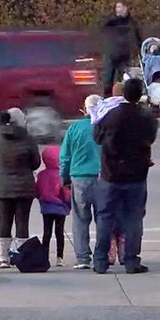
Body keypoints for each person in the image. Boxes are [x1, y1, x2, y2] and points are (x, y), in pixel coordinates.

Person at [92, 78, 158, 274]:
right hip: (136, 175)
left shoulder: (110, 116)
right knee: (134, 219)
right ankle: (131, 260)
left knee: (105, 217)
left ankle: (101, 261)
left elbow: (97, 137)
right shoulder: (146, 117)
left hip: (110, 175)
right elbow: (150, 139)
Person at [0, 108, 40, 268]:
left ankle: (3, 257)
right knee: (22, 222)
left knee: (4, 220)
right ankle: (21, 255)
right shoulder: (28, 139)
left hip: (2, 186)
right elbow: (35, 162)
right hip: (24, 186)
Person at [59, 94, 102, 270]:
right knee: (103, 218)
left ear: (84, 109)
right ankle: (102, 255)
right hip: (102, 177)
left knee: (80, 219)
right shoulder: (104, 127)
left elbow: (65, 156)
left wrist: (64, 178)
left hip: (79, 177)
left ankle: (83, 257)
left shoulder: (74, 128)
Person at [36, 145, 71, 267]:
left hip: (46, 207)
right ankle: (59, 257)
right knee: (59, 232)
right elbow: (66, 193)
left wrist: (41, 200)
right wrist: (68, 204)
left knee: (47, 232)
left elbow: (37, 190)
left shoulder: (41, 175)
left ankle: (44, 256)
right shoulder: (62, 175)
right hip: (60, 208)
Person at [101, 2, 143, 97]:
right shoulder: (112, 20)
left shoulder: (131, 22)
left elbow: (138, 36)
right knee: (108, 79)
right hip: (111, 52)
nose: (118, 9)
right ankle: (107, 99)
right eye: (116, 7)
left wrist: (140, 49)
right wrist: (116, 17)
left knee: (124, 79)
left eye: (120, 7)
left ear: (125, 8)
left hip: (125, 54)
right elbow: (103, 25)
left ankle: (122, 98)